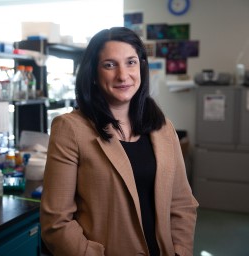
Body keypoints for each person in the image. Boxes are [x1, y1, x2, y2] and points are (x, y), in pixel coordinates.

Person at [40, 27, 199, 256]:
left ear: (141, 67)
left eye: (131, 62)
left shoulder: (163, 127)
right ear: (93, 74)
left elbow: (182, 203)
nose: (123, 75)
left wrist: (180, 251)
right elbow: (56, 222)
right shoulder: (70, 129)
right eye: (110, 65)